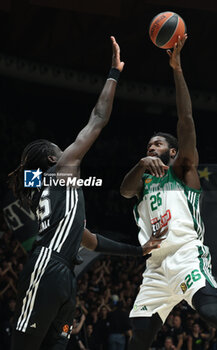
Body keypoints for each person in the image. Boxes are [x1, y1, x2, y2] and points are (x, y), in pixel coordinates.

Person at [8, 36, 166, 350]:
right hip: (48, 265)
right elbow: (98, 118)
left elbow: (89, 239)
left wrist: (139, 250)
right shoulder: (61, 170)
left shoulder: (56, 195)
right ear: (54, 159)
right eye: (60, 149)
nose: (67, 150)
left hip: (66, 274)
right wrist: (113, 73)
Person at [120, 34, 217, 350]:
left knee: (210, 313)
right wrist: (142, 164)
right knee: (139, 336)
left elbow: (186, 121)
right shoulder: (142, 182)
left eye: (157, 144)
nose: (151, 147)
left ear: (172, 152)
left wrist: (177, 68)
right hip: (155, 267)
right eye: (148, 145)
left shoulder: (183, 171)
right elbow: (124, 191)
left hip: (186, 256)